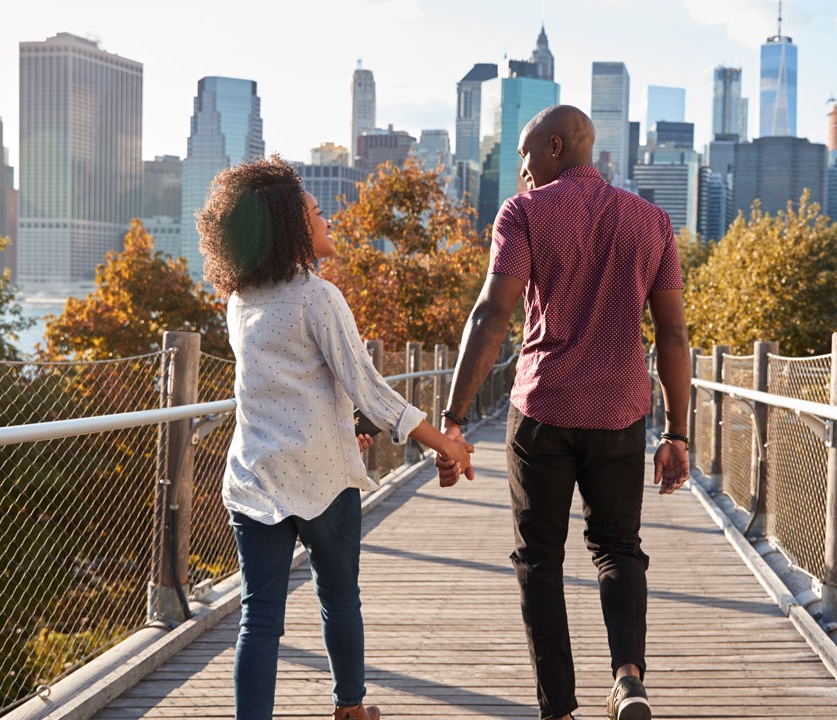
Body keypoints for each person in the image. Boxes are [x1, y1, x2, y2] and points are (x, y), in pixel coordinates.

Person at [435, 105, 692, 720]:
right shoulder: (651, 220)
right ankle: (628, 680)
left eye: (525, 155)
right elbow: (675, 336)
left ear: (555, 147)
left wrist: (453, 415)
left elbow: (492, 315)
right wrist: (678, 434)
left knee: (539, 558)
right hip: (621, 412)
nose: (521, 170)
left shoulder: (523, 214)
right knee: (618, 549)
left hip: (543, 410)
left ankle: (558, 708)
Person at [197, 157, 474, 720]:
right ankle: (349, 710)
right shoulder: (317, 297)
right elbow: (368, 387)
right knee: (339, 598)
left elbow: (284, 388)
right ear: (291, 230)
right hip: (322, 479)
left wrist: (344, 426)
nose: (328, 221)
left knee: (260, 616)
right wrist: (443, 443)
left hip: (255, 479)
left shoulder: (239, 302)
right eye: (318, 214)